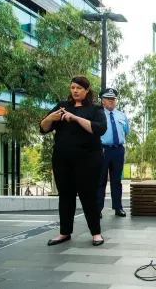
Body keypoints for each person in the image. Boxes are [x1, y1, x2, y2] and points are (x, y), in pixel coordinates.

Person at [40, 75, 107, 246]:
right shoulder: (62, 107)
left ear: (86, 90)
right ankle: (64, 233)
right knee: (65, 196)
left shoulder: (95, 109)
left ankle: (96, 233)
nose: (75, 91)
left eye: (78, 88)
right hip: (62, 159)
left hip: (88, 160)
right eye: (72, 88)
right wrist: (50, 119)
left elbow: (99, 129)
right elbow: (43, 128)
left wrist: (76, 118)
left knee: (88, 195)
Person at [97, 88, 130, 218]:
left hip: (118, 149)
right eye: (108, 99)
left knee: (117, 180)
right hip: (102, 149)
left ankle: (118, 207)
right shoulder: (98, 114)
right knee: (101, 180)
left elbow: (126, 131)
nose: (111, 101)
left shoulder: (121, 115)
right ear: (102, 100)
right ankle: (98, 208)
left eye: (113, 99)